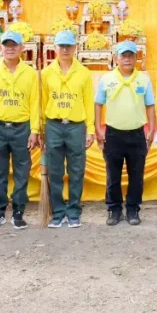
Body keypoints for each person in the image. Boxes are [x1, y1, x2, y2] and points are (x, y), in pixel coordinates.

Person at [0, 31, 40, 229]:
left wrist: (34, 130)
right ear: (1, 47)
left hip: (22, 128)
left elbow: (35, 103)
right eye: (6, 45)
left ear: (22, 48)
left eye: (14, 45)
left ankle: (18, 212)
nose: (10, 48)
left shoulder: (30, 73)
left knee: (22, 172)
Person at [95, 41, 157, 226]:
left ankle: (132, 209)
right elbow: (98, 104)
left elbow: (150, 105)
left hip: (137, 134)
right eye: (123, 55)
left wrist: (152, 128)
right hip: (113, 134)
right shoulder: (107, 79)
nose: (127, 59)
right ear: (116, 58)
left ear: (136, 58)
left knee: (136, 175)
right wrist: (98, 128)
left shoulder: (143, 79)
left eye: (131, 55)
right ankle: (114, 209)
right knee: (112, 176)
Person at [42, 30, 95, 228]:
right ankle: (57, 212)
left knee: (76, 170)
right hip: (54, 125)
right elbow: (43, 102)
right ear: (54, 48)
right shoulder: (46, 73)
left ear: (75, 47)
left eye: (68, 46)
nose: (65, 50)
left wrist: (90, 130)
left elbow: (88, 103)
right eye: (61, 46)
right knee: (55, 171)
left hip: (76, 127)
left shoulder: (84, 73)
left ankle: (73, 211)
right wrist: (41, 129)